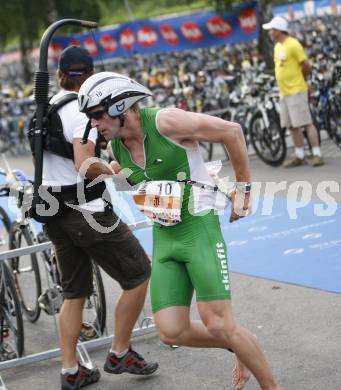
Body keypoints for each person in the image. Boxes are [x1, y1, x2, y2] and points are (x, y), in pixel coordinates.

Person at [78, 71, 281, 390]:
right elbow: (134, 174)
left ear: (119, 106)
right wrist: (109, 172)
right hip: (165, 239)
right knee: (171, 330)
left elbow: (232, 131)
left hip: (198, 229)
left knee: (216, 321)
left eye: (96, 115)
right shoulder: (116, 147)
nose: (94, 124)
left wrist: (242, 189)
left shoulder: (165, 122)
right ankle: (241, 342)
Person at [40, 47, 158, 390]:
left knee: (74, 293)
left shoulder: (46, 108)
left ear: (60, 74)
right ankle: (120, 352)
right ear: (90, 74)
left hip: (53, 211)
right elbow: (84, 163)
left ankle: (70, 370)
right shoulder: (81, 111)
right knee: (138, 272)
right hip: (86, 212)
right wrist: (116, 169)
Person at [262, 16, 324, 167]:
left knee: (307, 123)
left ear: (278, 30)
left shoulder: (293, 44)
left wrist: (301, 81)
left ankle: (317, 154)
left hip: (296, 90)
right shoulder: (277, 46)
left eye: (272, 30)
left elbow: (306, 66)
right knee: (291, 126)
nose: (270, 32)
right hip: (284, 93)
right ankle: (299, 155)